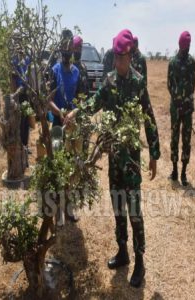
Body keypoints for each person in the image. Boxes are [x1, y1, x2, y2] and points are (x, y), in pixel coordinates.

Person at [65, 29, 160, 288]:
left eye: (123, 57)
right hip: (114, 157)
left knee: (135, 211)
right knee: (118, 206)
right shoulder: (108, 81)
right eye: (116, 57)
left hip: (130, 158)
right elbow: (95, 103)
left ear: (130, 56)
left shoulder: (138, 82)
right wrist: (76, 112)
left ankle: (140, 260)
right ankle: (123, 251)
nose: (118, 62)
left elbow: (149, 117)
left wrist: (154, 153)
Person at [167, 31, 195, 186]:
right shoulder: (172, 63)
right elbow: (169, 84)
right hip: (175, 109)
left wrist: (186, 101)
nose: (188, 48)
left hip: (187, 110)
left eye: (190, 45)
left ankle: (184, 172)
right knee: (174, 139)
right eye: (187, 46)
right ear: (181, 45)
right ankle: (174, 171)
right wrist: (177, 100)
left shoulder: (192, 63)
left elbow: (193, 85)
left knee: (186, 140)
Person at [49, 29, 81, 127]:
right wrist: (59, 112)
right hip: (58, 121)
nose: (67, 49)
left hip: (72, 120)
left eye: (70, 45)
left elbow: (80, 98)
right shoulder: (55, 71)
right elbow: (49, 100)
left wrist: (74, 112)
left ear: (73, 47)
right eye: (64, 45)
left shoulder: (76, 72)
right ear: (60, 47)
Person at [11, 40, 32, 153]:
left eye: (21, 46)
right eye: (17, 46)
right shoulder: (14, 61)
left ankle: (25, 145)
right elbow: (13, 80)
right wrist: (14, 95)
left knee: (26, 121)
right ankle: (19, 146)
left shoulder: (27, 60)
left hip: (26, 93)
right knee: (19, 121)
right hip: (19, 94)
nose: (19, 49)